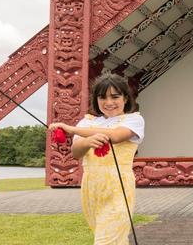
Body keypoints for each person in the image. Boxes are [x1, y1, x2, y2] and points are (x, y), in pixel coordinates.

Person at [51, 73, 144, 245]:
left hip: (118, 187)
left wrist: (71, 129)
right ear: (96, 100)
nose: (109, 102)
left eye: (115, 97)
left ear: (125, 98)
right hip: (91, 188)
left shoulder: (134, 119)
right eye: (102, 97)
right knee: (115, 240)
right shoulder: (87, 122)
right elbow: (76, 153)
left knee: (105, 241)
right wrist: (86, 142)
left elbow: (115, 136)